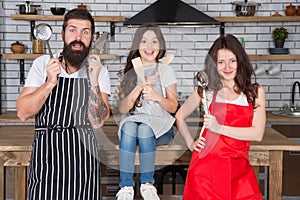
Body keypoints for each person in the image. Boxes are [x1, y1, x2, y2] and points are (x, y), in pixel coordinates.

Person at [16, 8, 110, 200]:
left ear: (92, 36)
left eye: (85, 31)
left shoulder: (99, 71)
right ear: (63, 34)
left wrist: (93, 81)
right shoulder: (43, 64)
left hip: (83, 158)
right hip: (47, 156)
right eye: (73, 30)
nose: (78, 37)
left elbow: (98, 121)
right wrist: (49, 82)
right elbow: (23, 112)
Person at [175, 34, 266, 200]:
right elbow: (179, 115)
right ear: (214, 65)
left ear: (240, 61)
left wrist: (219, 128)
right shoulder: (207, 91)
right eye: (221, 62)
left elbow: (257, 133)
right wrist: (191, 143)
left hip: (240, 169)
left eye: (232, 60)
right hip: (206, 172)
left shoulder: (254, 92)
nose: (227, 67)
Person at [116, 24, 178, 200]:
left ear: (161, 45)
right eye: (144, 42)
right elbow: (122, 109)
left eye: (154, 41)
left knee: (144, 129)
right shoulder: (132, 70)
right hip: (134, 123)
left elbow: (173, 107)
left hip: (160, 125)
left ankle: (147, 184)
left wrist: (156, 95)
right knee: (129, 126)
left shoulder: (166, 71)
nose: (149, 47)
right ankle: (126, 186)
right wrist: (138, 88)